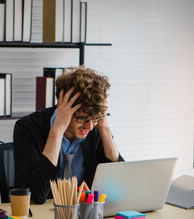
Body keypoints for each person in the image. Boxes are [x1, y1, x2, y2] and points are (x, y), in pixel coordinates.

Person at [13, 66, 124, 204]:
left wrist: (105, 128)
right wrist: (57, 130)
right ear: (61, 105)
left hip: (84, 217)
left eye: (95, 119)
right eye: (82, 118)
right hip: (43, 217)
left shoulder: (96, 128)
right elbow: (36, 195)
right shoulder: (27, 128)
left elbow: (119, 188)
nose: (89, 127)